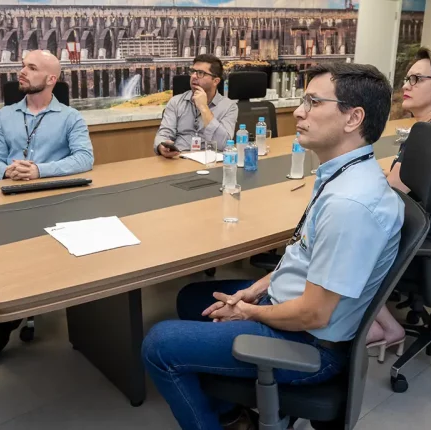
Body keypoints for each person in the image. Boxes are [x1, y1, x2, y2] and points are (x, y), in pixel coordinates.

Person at [142, 63, 405, 430]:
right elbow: (302, 254)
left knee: (158, 345)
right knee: (192, 298)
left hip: (310, 344)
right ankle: (232, 415)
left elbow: (314, 315)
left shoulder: (351, 205)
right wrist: (254, 289)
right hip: (292, 307)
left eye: (313, 102)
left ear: (353, 118)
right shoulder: (344, 172)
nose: (299, 111)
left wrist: (249, 313)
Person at [0, 50, 94, 373]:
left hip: (51, 203)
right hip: (8, 199)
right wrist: (6, 172)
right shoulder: (3, 116)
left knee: (25, 254)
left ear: (51, 80)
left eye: (31, 68)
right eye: (22, 66)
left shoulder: (70, 117)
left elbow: (84, 159)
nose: (21, 72)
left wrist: (39, 170)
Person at [370, 47, 431, 349]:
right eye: (406, 78)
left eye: (416, 79)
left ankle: (386, 327)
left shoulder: (429, 137)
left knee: (349, 240)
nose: (406, 85)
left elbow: (391, 189)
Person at [154, 54, 239, 158]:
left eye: (200, 73)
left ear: (215, 81)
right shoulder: (176, 102)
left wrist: (204, 107)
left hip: (210, 161)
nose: (193, 76)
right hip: (179, 159)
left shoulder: (229, 107)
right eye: (193, 71)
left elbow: (223, 144)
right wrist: (161, 147)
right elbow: (164, 134)